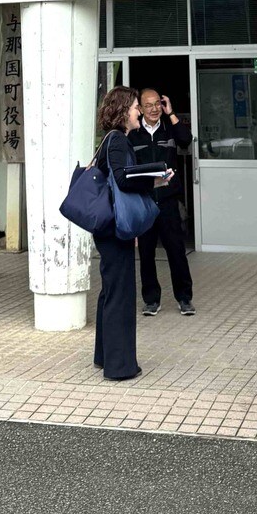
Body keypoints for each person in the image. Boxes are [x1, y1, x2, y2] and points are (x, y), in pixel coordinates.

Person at [92, 87, 171, 381]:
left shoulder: (113, 140)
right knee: (120, 295)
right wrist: (154, 179)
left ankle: (104, 357)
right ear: (124, 110)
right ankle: (120, 366)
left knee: (110, 292)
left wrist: (155, 180)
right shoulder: (117, 141)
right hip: (114, 229)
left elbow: (121, 178)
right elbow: (123, 180)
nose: (139, 111)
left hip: (109, 228)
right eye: (136, 106)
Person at [129, 89, 194, 316]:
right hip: (145, 203)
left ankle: (184, 298)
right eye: (149, 105)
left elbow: (186, 140)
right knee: (146, 254)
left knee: (176, 251)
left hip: (167, 202)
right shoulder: (133, 135)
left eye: (158, 104)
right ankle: (151, 300)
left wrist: (172, 113)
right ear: (140, 109)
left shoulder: (169, 129)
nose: (155, 109)